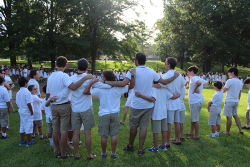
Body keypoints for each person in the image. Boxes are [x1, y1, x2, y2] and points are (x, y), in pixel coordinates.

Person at [104, 52, 179, 155]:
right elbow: (164, 82)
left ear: (137, 61)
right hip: (148, 104)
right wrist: (174, 77)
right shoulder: (151, 71)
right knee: (143, 126)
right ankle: (140, 149)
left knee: (133, 126)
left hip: (136, 104)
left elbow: (123, 84)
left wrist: (106, 82)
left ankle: (130, 145)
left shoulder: (132, 71)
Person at [46, 56, 94, 159]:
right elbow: (72, 87)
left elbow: (49, 93)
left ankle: (64, 151)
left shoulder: (54, 77)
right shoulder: (66, 76)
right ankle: (70, 154)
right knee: (69, 131)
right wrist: (85, 78)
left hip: (61, 107)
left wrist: (51, 100)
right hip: (71, 106)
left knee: (59, 131)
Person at [83, 69, 134, 160]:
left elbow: (86, 92)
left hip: (104, 114)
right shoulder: (118, 88)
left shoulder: (100, 88)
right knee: (113, 135)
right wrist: (133, 76)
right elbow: (131, 86)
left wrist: (91, 83)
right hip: (115, 113)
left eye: (102, 76)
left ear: (105, 78)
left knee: (104, 135)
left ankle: (104, 153)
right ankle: (113, 154)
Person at [70, 58, 112, 160]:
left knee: (76, 132)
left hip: (75, 109)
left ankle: (76, 154)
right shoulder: (89, 78)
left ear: (77, 67)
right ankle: (89, 155)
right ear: (87, 68)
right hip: (86, 109)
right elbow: (105, 86)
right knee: (87, 133)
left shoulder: (71, 78)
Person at [138, 84, 180, 152]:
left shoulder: (153, 90)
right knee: (164, 130)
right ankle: (163, 146)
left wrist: (141, 95)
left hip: (156, 113)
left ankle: (155, 147)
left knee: (156, 131)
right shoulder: (165, 89)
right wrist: (178, 95)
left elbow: (152, 99)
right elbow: (172, 96)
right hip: (164, 113)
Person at [161, 57, 186, 146]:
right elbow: (183, 84)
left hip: (170, 101)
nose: (165, 64)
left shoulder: (167, 75)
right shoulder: (178, 74)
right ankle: (178, 139)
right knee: (177, 122)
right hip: (177, 100)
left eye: (165, 63)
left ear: (169, 65)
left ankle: (167, 142)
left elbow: (161, 85)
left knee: (168, 123)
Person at [185, 66, 206, 140]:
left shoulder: (193, 78)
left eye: (188, 71)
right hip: (199, 100)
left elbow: (199, 83)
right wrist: (199, 89)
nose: (188, 73)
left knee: (195, 118)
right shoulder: (198, 77)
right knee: (193, 117)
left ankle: (196, 135)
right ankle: (191, 132)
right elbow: (206, 83)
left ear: (192, 71)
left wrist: (196, 88)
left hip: (195, 101)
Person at [222, 67, 243, 135]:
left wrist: (221, 85)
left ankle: (227, 132)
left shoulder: (230, 81)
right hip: (236, 101)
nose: (228, 74)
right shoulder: (240, 82)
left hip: (229, 101)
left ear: (232, 72)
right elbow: (239, 94)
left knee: (229, 117)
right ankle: (240, 130)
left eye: (229, 72)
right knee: (235, 115)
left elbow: (223, 91)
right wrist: (237, 100)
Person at [16, 77, 36, 146]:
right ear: (25, 83)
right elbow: (29, 103)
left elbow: (17, 103)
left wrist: (21, 108)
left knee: (22, 125)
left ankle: (22, 141)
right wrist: (31, 111)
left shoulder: (18, 92)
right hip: (27, 111)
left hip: (21, 110)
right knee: (28, 126)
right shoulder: (27, 92)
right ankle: (29, 141)